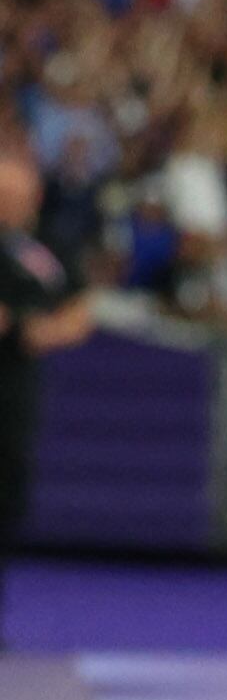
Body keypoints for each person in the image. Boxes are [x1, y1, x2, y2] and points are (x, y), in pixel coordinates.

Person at [0, 147, 100, 572]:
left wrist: (43, 330)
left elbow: (80, 307)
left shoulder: (45, 248)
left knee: (8, 492)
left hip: (16, 388)